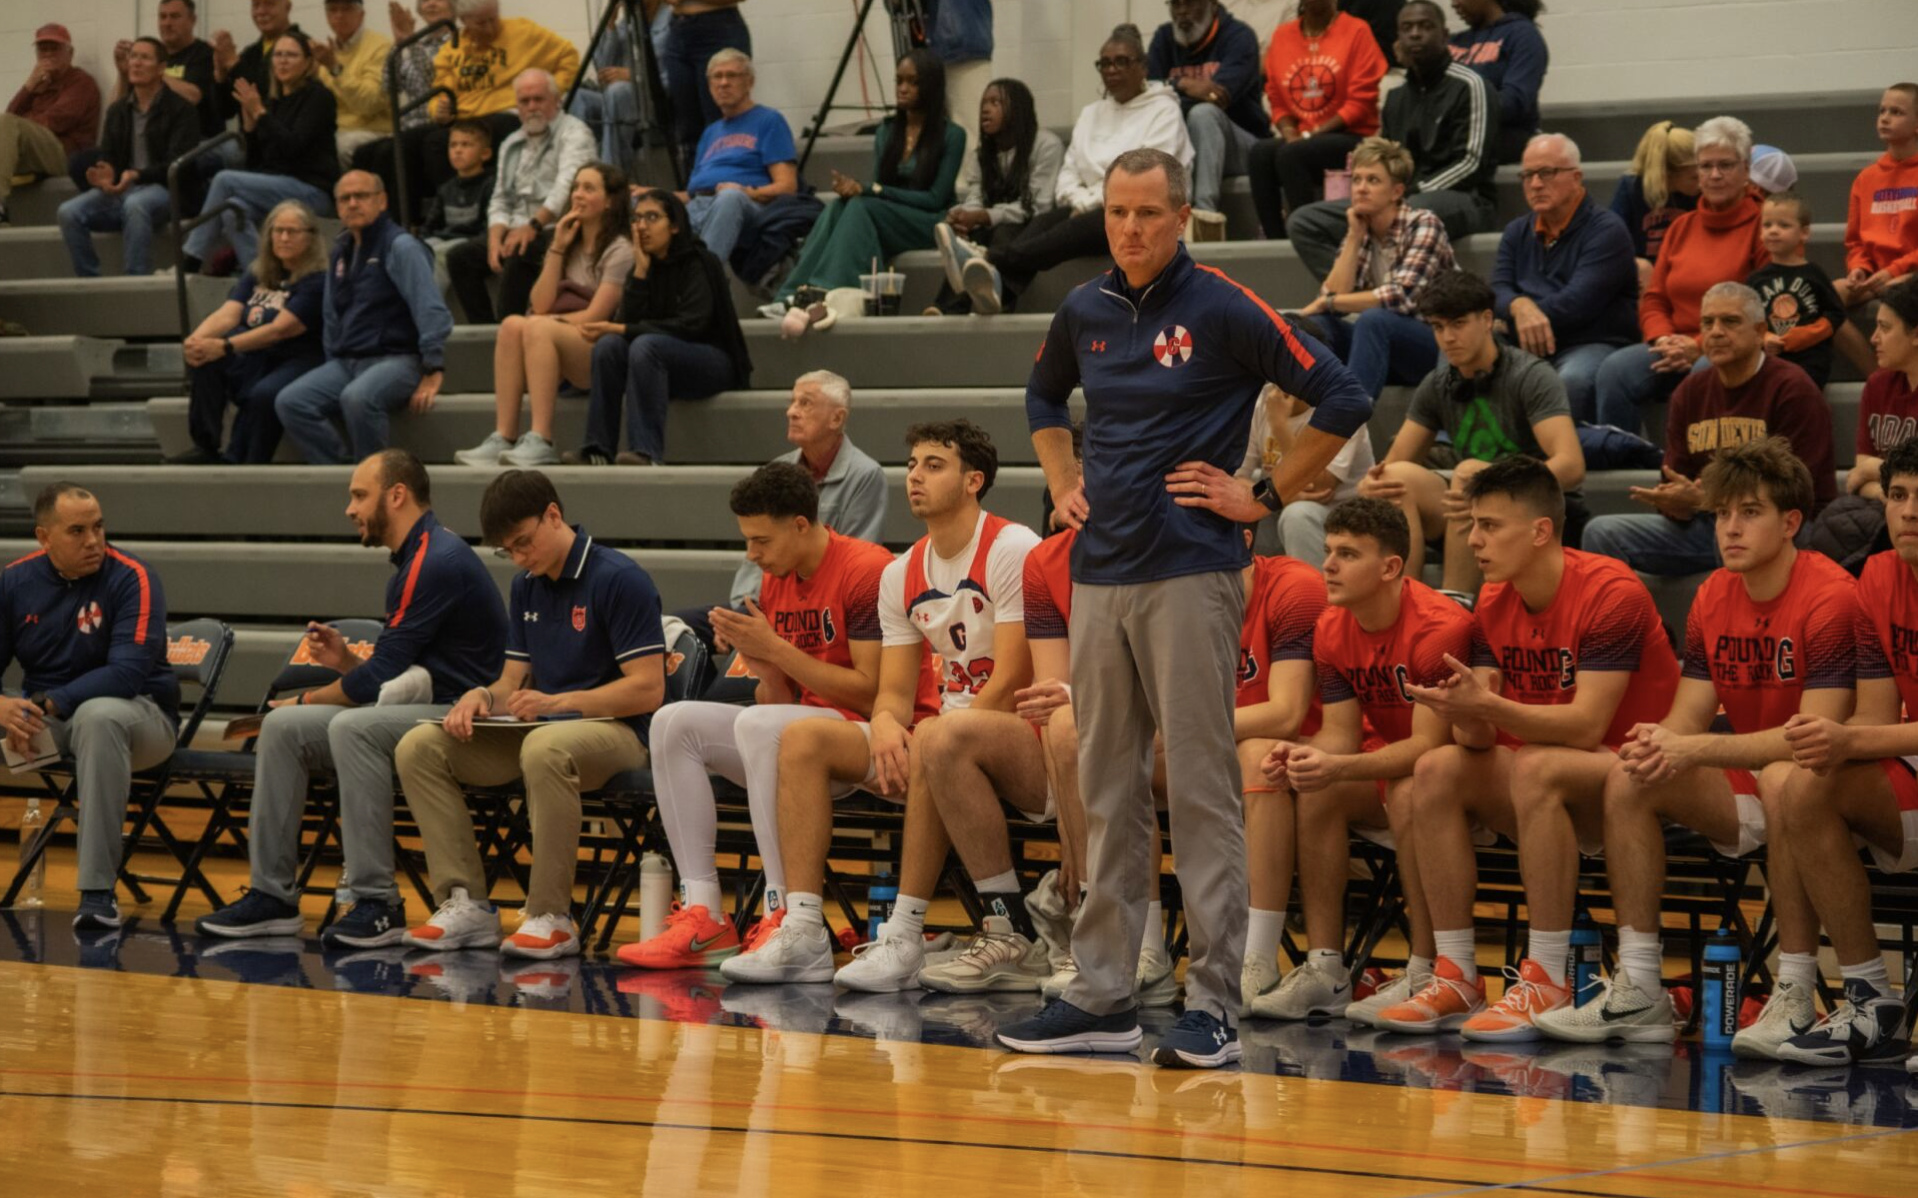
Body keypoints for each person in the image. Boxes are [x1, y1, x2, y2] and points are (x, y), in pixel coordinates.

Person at [1001, 148, 1371, 1067]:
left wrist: (1266, 495)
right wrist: (1062, 477)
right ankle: (1103, 994)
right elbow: (1043, 394)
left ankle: (1213, 1004)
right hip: (1099, 575)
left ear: (1181, 217)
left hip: (1192, 572)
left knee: (1203, 788)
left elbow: (1344, 394)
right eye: (1116, 213)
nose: (1129, 229)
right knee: (1106, 786)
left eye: (1147, 214)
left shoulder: (1222, 304)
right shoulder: (1083, 308)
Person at [1534, 439, 1853, 1052]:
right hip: (1746, 778)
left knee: (1784, 779)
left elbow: (1812, 738)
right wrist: (1656, 743)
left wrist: (1693, 750)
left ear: (1791, 522)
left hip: (1819, 784)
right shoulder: (1712, 593)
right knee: (1629, 773)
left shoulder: (1829, 595)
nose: (1730, 528)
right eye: (1721, 514)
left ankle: (1794, 989)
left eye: (1749, 513)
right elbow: (1688, 714)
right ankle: (1640, 987)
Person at [721, 421, 1039, 989]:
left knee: (937, 738)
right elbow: (891, 692)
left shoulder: (1011, 547)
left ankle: (905, 932)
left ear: (974, 481)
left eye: (934, 465)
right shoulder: (902, 571)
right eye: (912, 464)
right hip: (947, 737)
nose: (915, 475)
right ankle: (803, 928)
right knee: (802, 739)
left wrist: (935, 737)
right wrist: (889, 723)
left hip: (1027, 735)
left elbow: (1014, 675)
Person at [1373, 456, 1679, 1039]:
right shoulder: (1493, 600)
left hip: (1637, 774)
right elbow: (1484, 737)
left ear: (1540, 531)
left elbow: (1588, 727)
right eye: (1472, 524)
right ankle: (1456, 973)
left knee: (1537, 765)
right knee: (1434, 768)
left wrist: (1489, 709)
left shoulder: (1611, 592)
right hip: (1544, 781)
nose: (1473, 540)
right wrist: (1463, 712)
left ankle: (1546, 977)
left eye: (1490, 526)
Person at [193, 452, 506, 946]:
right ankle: (272, 897)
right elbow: (390, 678)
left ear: (397, 495)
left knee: (349, 727)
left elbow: (383, 679)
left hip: (469, 717)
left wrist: (306, 699)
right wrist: (345, 664)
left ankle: (376, 902)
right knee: (282, 730)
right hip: (425, 706)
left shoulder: (436, 561)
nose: (350, 508)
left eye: (359, 495)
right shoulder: (416, 558)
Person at [616, 462, 914, 970]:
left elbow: (870, 693)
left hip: (876, 738)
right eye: (747, 541)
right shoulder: (778, 579)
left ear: (800, 525)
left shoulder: (866, 569)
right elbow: (780, 699)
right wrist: (765, 664)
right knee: (673, 722)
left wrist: (777, 649)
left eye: (761, 540)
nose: (751, 554)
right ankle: (704, 915)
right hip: (800, 740)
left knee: (757, 724)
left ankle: (784, 913)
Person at [397, 469, 666, 961]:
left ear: (554, 515)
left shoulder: (619, 578)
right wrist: (481, 696)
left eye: (523, 542)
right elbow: (511, 683)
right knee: (420, 747)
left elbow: (648, 689)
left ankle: (551, 916)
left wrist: (559, 703)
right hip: (547, 729)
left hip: (620, 733)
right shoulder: (526, 586)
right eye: (509, 551)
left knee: (545, 747)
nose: (520, 557)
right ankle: (466, 904)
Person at [1253, 498, 1476, 1021]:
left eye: (1347, 554)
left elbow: (1429, 745)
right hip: (1393, 768)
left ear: (1391, 567)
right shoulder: (1331, 627)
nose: (1328, 565)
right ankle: (1326, 968)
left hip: (1457, 773)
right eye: (1329, 551)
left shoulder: (1439, 628)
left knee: (1409, 786)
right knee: (1319, 788)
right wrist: (1304, 756)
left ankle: (1426, 969)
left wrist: (1339, 766)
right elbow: (1339, 734)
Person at [1772, 437, 1918, 1068]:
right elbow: (1878, 716)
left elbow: (1866, 734)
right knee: (1803, 786)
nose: (1909, 511)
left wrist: (1850, 739)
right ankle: (1869, 998)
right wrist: (1826, 742)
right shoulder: (1878, 576)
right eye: (1899, 495)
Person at [0, 484, 174, 932]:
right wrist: (4, 709)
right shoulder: (14, 582)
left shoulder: (133, 577)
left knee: (99, 716)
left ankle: (97, 892)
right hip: (48, 721)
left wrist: (43, 705)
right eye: (77, 531)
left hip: (140, 718)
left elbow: (126, 674)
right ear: (44, 537)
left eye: (98, 527)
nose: (93, 540)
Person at [1583, 283, 1836, 577]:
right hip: (1707, 523)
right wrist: (1675, 504)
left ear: (1759, 331)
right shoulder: (1690, 392)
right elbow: (1675, 477)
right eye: (1707, 323)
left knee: (1733, 532)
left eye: (1730, 321)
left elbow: (1798, 492)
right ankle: (1635, 611)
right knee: (1601, 532)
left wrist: (1710, 502)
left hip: (1786, 526)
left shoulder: (1792, 388)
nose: (1715, 332)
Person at [1359, 269, 1582, 593]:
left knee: (1469, 474)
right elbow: (1393, 463)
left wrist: (1492, 491)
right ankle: (1404, 604)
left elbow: (1571, 466)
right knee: (1395, 479)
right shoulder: (1438, 383)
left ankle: (1455, 604)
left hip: (1539, 506)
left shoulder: (1531, 375)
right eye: (1438, 327)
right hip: (1471, 506)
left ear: (1487, 319)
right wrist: (1373, 483)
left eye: (1458, 324)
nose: (1447, 337)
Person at [954, 27, 1190, 317]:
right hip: (1086, 206)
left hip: (1137, 212)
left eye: (1121, 61)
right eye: (1105, 63)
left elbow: (1145, 180)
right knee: (1042, 223)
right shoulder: (1091, 113)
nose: (1111, 69)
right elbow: (1068, 174)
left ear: (1143, 66)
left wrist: (1091, 204)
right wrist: (1081, 201)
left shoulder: (1165, 111)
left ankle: (989, 257)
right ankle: (999, 296)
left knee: (1077, 226)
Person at [1285, 1, 1497, 281]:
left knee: (1412, 211)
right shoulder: (1396, 98)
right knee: (1305, 221)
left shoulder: (1470, 84)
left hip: (1465, 199)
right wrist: (1376, 191)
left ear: (1445, 36)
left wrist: (1405, 194)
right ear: (1398, 38)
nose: (1415, 34)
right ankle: (1360, 294)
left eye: (1425, 26)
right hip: (1400, 197)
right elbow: (1384, 159)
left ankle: (1396, 293)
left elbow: (1471, 163)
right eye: (1407, 28)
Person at [451, 161, 634, 468]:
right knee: (511, 325)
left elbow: (596, 314)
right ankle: (504, 436)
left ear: (610, 201)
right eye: (576, 187)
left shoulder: (621, 249)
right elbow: (540, 303)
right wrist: (558, 247)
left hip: (600, 349)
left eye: (589, 188)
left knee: (535, 326)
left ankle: (542, 439)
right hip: (562, 339)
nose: (578, 194)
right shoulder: (567, 241)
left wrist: (543, 322)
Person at [1594, 116, 1766, 434]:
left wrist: (1698, 345)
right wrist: (1664, 340)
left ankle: (1695, 464)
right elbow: (1655, 299)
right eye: (1705, 166)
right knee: (1614, 371)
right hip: (1674, 344)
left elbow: (1761, 308)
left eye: (1725, 165)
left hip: (1730, 344)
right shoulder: (1681, 227)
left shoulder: (1763, 225)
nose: (1714, 175)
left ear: (1746, 170)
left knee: (1705, 371)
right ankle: (1622, 458)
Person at [771, 48, 964, 329]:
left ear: (931, 86)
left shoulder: (952, 135)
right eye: (899, 81)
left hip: (930, 222)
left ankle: (825, 291)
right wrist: (862, 191)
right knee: (840, 205)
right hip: (890, 216)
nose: (903, 88)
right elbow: (877, 189)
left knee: (862, 204)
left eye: (913, 82)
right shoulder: (887, 131)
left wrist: (871, 189)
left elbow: (935, 199)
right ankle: (789, 295)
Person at [276, 171, 452, 464]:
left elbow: (430, 308)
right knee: (291, 401)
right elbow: (331, 314)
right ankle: (340, 472)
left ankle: (375, 478)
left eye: (361, 196)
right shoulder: (340, 251)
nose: (353, 203)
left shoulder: (401, 246)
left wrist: (434, 367)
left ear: (382, 201)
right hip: (347, 362)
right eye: (345, 198)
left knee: (357, 398)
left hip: (399, 359)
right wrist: (332, 360)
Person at [570, 188, 752, 466]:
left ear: (675, 225)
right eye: (637, 218)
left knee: (644, 345)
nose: (641, 226)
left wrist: (622, 330)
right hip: (655, 363)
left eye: (652, 217)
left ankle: (646, 453)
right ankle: (598, 450)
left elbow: (692, 325)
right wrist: (640, 274)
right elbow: (626, 323)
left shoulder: (700, 262)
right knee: (609, 346)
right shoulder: (642, 267)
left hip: (711, 362)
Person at [1490, 133, 1640, 424]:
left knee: (1571, 379)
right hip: (1526, 341)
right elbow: (1498, 288)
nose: (1535, 184)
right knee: (1465, 343)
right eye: (1528, 175)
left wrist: (1514, 318)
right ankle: (1450, 441)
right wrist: (1519, 306)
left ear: (1576, 177)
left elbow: (1577, 304)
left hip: (1590, 342)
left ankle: (1564, 452)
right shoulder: (1516, 231)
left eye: (1547, 173)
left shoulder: (1607, 230)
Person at [1294, 136, 1456, 400]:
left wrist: (1329, 302)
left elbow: (1401, 297)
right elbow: (1333, 295)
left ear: (1397, 192)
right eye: (1356, 180)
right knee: (1320, 325)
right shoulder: (1361, 230)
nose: (1361, 188)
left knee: (1373, 320)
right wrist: (1354, 237)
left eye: (1373, 180)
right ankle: (1308, 408)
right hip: (1384, 347)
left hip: (1436, 344)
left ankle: (1350, 415)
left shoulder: (1423, 223)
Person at [170, 200, 329, 465]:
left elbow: (279, 330)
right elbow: (228, 314)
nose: (284, 238)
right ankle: (205, 446)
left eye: (292, 231)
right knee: (205, 358)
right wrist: (196, 340)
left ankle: (246, 462)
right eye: (278, 231)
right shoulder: (259, 272)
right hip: (255, 353)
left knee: (264, 394)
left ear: (310, 238)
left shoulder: (317, 280)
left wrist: (225, 346)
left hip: (299, 357)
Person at [723, 372, 887, 614]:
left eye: (805, 403)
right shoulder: (779, 467)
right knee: (682, 625)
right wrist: (744, 604)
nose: (791, 412)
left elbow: (856, 559)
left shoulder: (866, 474)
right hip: (763, 600)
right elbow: (759, 541)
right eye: (792, 402)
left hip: (816, 606)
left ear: (837, 418)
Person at [181, 31, 338, 275]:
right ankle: (262, 276)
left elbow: (293, 147)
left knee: (224, 179)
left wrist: (261, 114)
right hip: (278, 186)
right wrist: (250, 129)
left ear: (308, 62)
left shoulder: (319, 97)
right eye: (278, 55)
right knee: (233, 209)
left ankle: (190, 260)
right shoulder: (272, 102)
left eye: (291, 55)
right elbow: (257, 164)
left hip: (312, 190)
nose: (283, 61)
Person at [445, 69, 596, 324]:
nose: (532, 107)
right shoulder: (511, 142)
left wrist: (532, 226)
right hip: (518, 228)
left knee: (520, 249)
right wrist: (494, 238)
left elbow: (566, 188)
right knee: (460, 257)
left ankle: (509, 328)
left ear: (556, 100)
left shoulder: (575, 133)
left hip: (560, 227)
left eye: (538, 99)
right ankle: (485, 332)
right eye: (524, 101)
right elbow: (500, 198)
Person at [408, 1, 580, 208]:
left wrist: (551, 93)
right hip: (464, 117)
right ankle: (409, 217)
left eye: (493, 19)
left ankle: (461, 207)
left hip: (506, 114)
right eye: (481, 23)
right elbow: (440, 91)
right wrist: (438, 110)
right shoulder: (452, 49)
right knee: (398, 145)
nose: (490, 28)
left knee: (437, 142)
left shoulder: (523, 31)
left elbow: (568, 56)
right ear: (464, 21)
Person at [56, 39, 199, 279]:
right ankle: (89, 279)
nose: (136, 63)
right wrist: (106, 174)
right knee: (67, 212)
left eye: (145, 58)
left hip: (166, 189)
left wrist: (137, 175)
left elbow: (178, 165)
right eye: (133, 56)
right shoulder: (117, 110)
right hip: (125, 187)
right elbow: (109, 154)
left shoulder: (182, 110)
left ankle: (135, 279)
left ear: (161, 68)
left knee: (136, 204)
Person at [1247, 0, 1387, 240]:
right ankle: (1276, 241)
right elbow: (1276, 98)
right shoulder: (1283, 35)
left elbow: (1360, 103)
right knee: (1260, 153)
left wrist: (1310, 136)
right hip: (1302, 137)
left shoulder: (1357, 30)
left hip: (1351, 136)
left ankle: (1307, 236)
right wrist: (1289, 132)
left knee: (1292, 154)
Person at [929, 78, 1063, 315]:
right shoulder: (982, 154)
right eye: (984, 103)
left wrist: (983, 216)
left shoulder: (1046, 145)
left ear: (1018, 109)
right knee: (973, 235)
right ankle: (946, 310)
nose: (985, 109)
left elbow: (1038, 206)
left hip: (1033, 227)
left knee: (1002, 233)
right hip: (993, 225)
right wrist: (963, 215)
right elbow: (975, 196)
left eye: (995, 102)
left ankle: (992, 299)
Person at [1147, 0, 1267, 237]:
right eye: (1175, 4)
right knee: (1159, 117)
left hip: (1243, 145)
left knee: (1203, 114)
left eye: (1190, 4)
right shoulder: (1163, 38)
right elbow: (1147, 91)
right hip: (1187, 140)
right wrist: (1182, 84)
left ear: (1212, 5)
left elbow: (1217, 97)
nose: (1182, 12)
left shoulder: (1239, 37)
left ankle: (1204, 217)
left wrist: (1170, 93)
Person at [1238, 382, 1376, 569]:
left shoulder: (1340, 405)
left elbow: (1319, 487)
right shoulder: (1261, 401)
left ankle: (1312, 588)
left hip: (1342, 512)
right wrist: (1275, 496)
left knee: (1297, 515)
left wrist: (1279, 426)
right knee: (1243, 503)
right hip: (1282, 498)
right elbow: (1237, 479)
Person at [680, 49, 799, 265]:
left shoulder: (769, 120)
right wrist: (650, 194)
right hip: (700, 205)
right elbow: (691, 194)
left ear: (749, 82)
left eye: (732, 75)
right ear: (709, 86)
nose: (723, 83)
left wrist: (746, 192)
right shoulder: (710, 132)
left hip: (747, 206)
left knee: (730, 197)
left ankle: (707, 277)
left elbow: (787, 186)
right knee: (644, 205)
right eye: (717, 77)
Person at [1, 24, 102, 223]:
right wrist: (28, 86)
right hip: (35, 154)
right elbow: (9, 121)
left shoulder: (81, 82)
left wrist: (20, 123)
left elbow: (54, 121)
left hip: (64, 155)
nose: (47, 54)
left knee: (8, 124)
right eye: (42, 49)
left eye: (54, 49)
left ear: (70, 54)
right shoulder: (38, 84)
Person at [1749, 191, 1845, 388]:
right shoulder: (1756, 280)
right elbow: (1747, 321)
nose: (1773, 231)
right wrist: (1764, 337)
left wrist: (1806, 335)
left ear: (1804, 233)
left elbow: (1836, 313)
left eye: (1784, 225)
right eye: (1767, 225)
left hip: (1810, 361)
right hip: (1768, 361)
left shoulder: (1814, 274)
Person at [1839, 83, 1918, 310]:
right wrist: (1859, 268)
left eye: (1896, 112)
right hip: (1876, 276)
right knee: (1823, 299)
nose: (1885, 118)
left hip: (1911, 274)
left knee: (1897, 292)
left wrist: (1894, 271)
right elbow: (1855, 242)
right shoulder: (1866, 178)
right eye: (1882, 111)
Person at [1447, 0, 1548, 165]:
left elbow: (1514, 102)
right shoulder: (1456, 41)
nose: (1454, 4)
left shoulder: (1523, 35)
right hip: (1456, 134)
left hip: (1505, 135)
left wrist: (1455, 111)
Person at [660, 0, 751, 169]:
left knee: (721, 119)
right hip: (678, 26)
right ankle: (697, 181)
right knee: (687, 127)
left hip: (717, 26)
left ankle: (727, 179)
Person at [1610, 121, 1699, 291]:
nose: (1702, 182)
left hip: (1684, 275)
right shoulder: (1632, 188)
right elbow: (1612, 241)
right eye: (1694, 177)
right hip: (1643, 278)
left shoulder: (1698, 194)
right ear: (1668, 174)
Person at [114, 0, 220, 142]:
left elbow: (193, 96)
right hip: (150, 139)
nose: (167, 23)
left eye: (175, 16)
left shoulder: (205, 54)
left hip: (198, 140)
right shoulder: (151, 55)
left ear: (192, 20)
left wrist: (154, 72)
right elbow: (115, 112)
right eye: (162, 17)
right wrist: (123, 74)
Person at [1850, 282, 1918, 502]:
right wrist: (1888, 496)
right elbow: (1858, 476)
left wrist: (1874, 469)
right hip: (1881, 504)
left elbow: (1865, 471)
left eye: (1885, 328)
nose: (1874, 338)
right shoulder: (1878, 384)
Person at [315, 0, 393, 168]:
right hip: (336, 129)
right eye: (333, 10)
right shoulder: (326, 51)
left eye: (346, 9)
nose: (339, 15)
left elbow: (370, 103)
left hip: (372, 130)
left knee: (338, 147)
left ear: (361, 14)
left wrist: (335, 69)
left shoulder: (380, 46)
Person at [418, 118, 495, 287]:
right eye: (453, 145)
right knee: (416, 251)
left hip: (469, 243)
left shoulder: (490, 185)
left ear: (485, 153)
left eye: (466, 145)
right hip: (444, 239)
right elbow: (429, 227)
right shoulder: (446, 188)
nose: (458, 150)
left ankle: (432, 303)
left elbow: (489, 228)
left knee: (439, 254)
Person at [926, 0, 993, 155]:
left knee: (971, 136)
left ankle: (972, 172)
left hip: (964, 47)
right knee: (939, 138)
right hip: (931, 51)